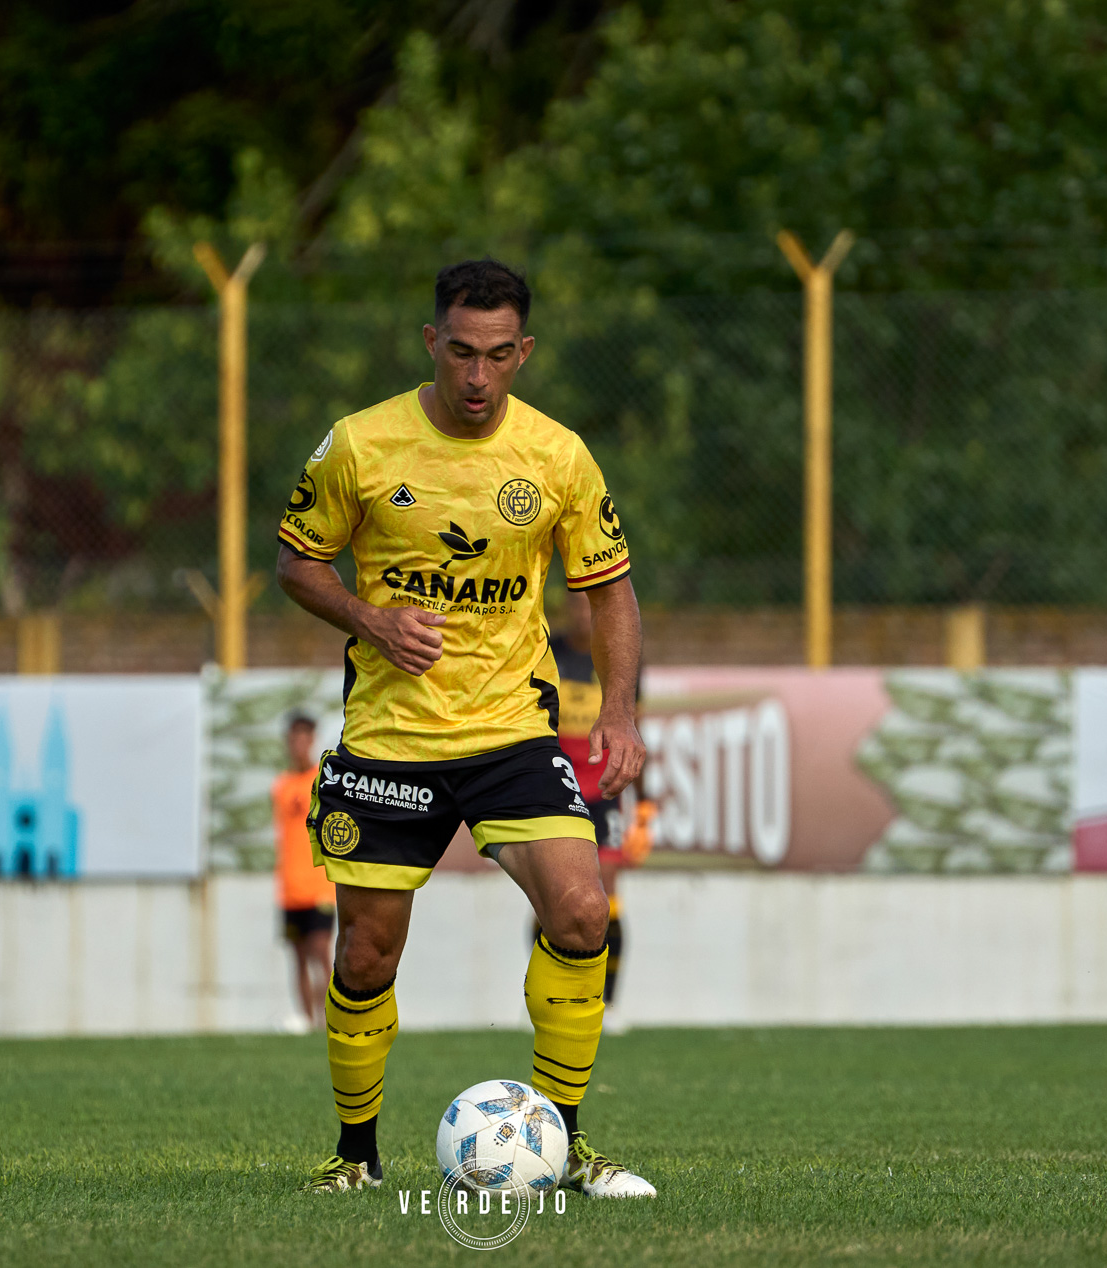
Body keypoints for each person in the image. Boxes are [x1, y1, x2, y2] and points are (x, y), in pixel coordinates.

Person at [277, 259, 655, 1198]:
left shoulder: (557, 455)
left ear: (523, 353)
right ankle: (354, 1156)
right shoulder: (359, 447)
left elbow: (607, 587)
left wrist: (617, 710)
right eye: (459, 353)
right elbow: (295, 562)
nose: (477, 377)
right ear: (430, 345)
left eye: (497, 356)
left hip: (510, 734)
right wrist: (372, 619)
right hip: (388, 739)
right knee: (366, 954)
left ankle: (561, 1147)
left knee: (579, 912)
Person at [549, 591, 651, 1031]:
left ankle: (607, 1003)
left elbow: (635, 731)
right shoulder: (546, 653)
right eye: (575, 605)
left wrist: (643, 807)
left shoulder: (617, 660)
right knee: (553, 896)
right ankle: (548, 998)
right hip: (556, 786)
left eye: (590, 607)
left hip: (605, 789)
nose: (582, 614)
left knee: (605, 894)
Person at [274, 712, 335, 1030]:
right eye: (293, 738)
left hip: (319, 887)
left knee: (322, 954)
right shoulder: (281, 786)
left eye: (304, 738)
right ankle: (306, 1020)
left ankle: (329, 1021)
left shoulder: (320, 780)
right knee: (297, 957)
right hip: (289, 890)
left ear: (311, 740)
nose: (298, 744)